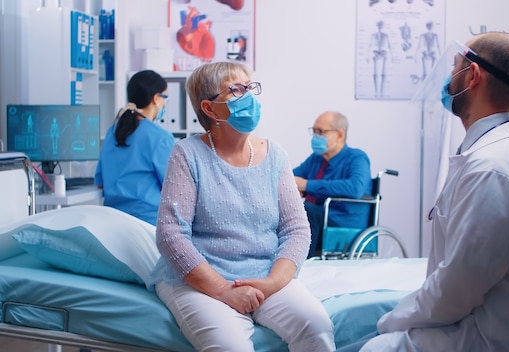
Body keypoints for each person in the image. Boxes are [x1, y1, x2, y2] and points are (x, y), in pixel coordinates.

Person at [341, 31, 509, 351]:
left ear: (472, 75)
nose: (448, 79)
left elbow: (459, 287)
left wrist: (390, 322)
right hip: (494, 326)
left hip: (496, 338)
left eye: (454, 67)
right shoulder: (507, 156)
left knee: (371, 346)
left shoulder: (493, 168)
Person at [150, 62, 335, 352]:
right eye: (236, 90)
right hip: (199, 280)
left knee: (317, 327)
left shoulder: (275, 156)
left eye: (250, 87)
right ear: (210, 109)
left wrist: (274, 282)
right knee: (229, 346)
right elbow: (171, 235)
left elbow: (296, 229)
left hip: (265, 275)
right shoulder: (187, 155)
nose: (248, 96)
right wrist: (224, 291)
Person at [94, 70, 174, 226]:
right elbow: (173, 186)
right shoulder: (160, 137)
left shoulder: (113, 133)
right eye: (164, 98)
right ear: (156, 98)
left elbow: (100, 182)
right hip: (149, 223)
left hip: (113, 222)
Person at [293, 111, 372, 258]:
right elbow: (292, 177)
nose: (316, 136)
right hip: (319, 218)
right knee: (290, 210)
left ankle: (300, 263)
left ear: (340, 135)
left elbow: (355, 188)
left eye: (321, 132)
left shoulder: (357, 158)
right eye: (314, 131)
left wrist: (308, 186)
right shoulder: (316, 159)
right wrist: (292, 188)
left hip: (343, 221)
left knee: (308, 210)